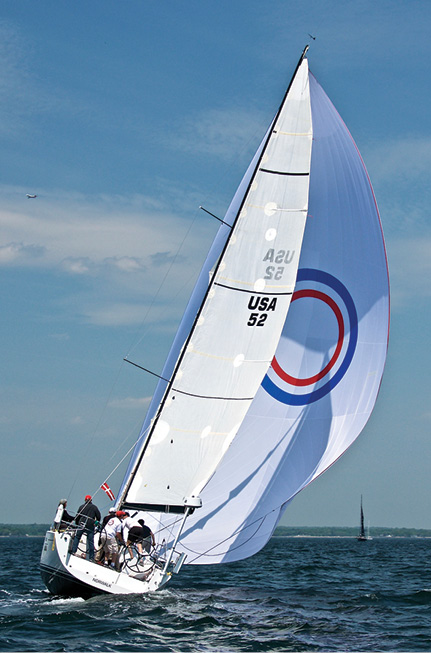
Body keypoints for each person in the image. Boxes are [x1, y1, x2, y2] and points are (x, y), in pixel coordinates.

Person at [70, 495, 101, 562]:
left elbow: (77, 516)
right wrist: (95, 523)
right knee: (90, 541)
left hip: (81, 524)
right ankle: (91, 557)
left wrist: (77, 523)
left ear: (85, 500)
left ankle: (73, 551)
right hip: (90, 525)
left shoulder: (81, 507)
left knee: (77, 537)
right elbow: (98, 517)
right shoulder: (94, 507)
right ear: (91, 500)